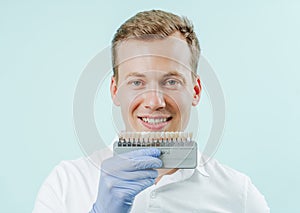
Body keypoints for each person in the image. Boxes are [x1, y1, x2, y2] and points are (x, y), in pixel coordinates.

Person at [33, 10, 270, 213]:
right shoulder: (65, 184)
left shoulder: (239, 195)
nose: (155, 101)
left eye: (171, 82)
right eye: (137, 83)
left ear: (195, 90)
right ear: (115, 91)